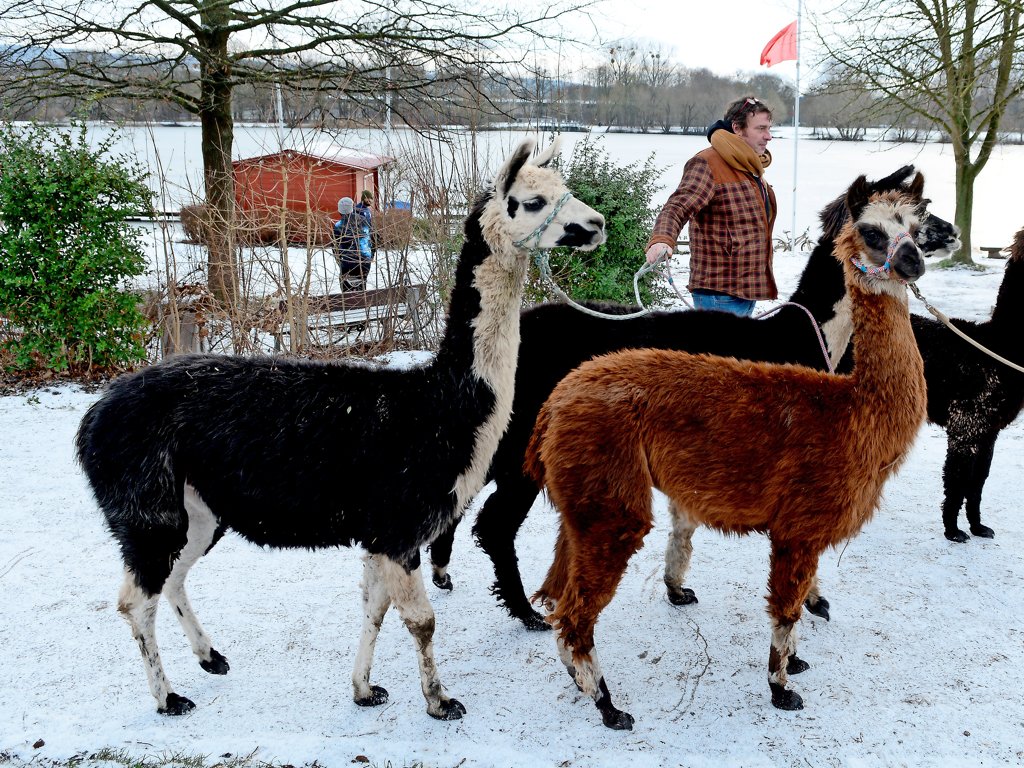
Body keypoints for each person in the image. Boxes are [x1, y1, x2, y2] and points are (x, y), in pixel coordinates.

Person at [644, 96, 778, 317]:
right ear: (737, 128)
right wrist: (661, 240)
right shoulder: (708, 163)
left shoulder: (749, 165)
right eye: (761, 128)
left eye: (769, 128)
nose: (768, 136)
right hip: (718, 294)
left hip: (746, 290)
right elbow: (677, 206)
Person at [333, 196, 373, 291]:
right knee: (362, 287)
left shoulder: (338, 226)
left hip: (347, 261)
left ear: (339, 211)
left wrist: (340, 262)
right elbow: (372, 240)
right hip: (365, 260)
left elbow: (336, 248)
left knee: (346, 292)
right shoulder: (364, 220)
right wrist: (370, 257)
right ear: (352, 208)